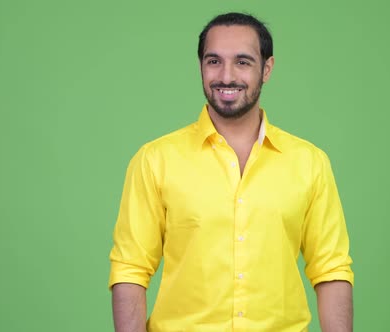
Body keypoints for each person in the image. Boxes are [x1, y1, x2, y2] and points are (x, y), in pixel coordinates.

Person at [109, 12, 354, 332]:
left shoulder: (309, 162)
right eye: (213, 61)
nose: (226, 76)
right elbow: (131, 270)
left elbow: (330, 270)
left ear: (266, 68)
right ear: (200, 65)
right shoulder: (155, 160)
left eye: (242, 62)